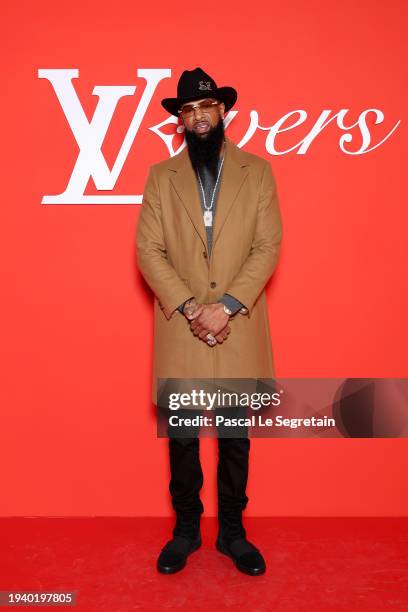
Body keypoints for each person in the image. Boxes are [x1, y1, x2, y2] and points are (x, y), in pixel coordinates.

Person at [136, 67, 283, 575]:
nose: (198, 117)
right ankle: (185, 531)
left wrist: (229, 306)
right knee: (181, 435)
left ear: (223, 111)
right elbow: (148, 251)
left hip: (238, 323)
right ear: (181, 120)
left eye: (206, 107)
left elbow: (268, 246)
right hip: (183, 323)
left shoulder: (258, 172)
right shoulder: (161, 176)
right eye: (188, 110)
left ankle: (234, 535)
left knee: (234, 436)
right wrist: (195, 308)